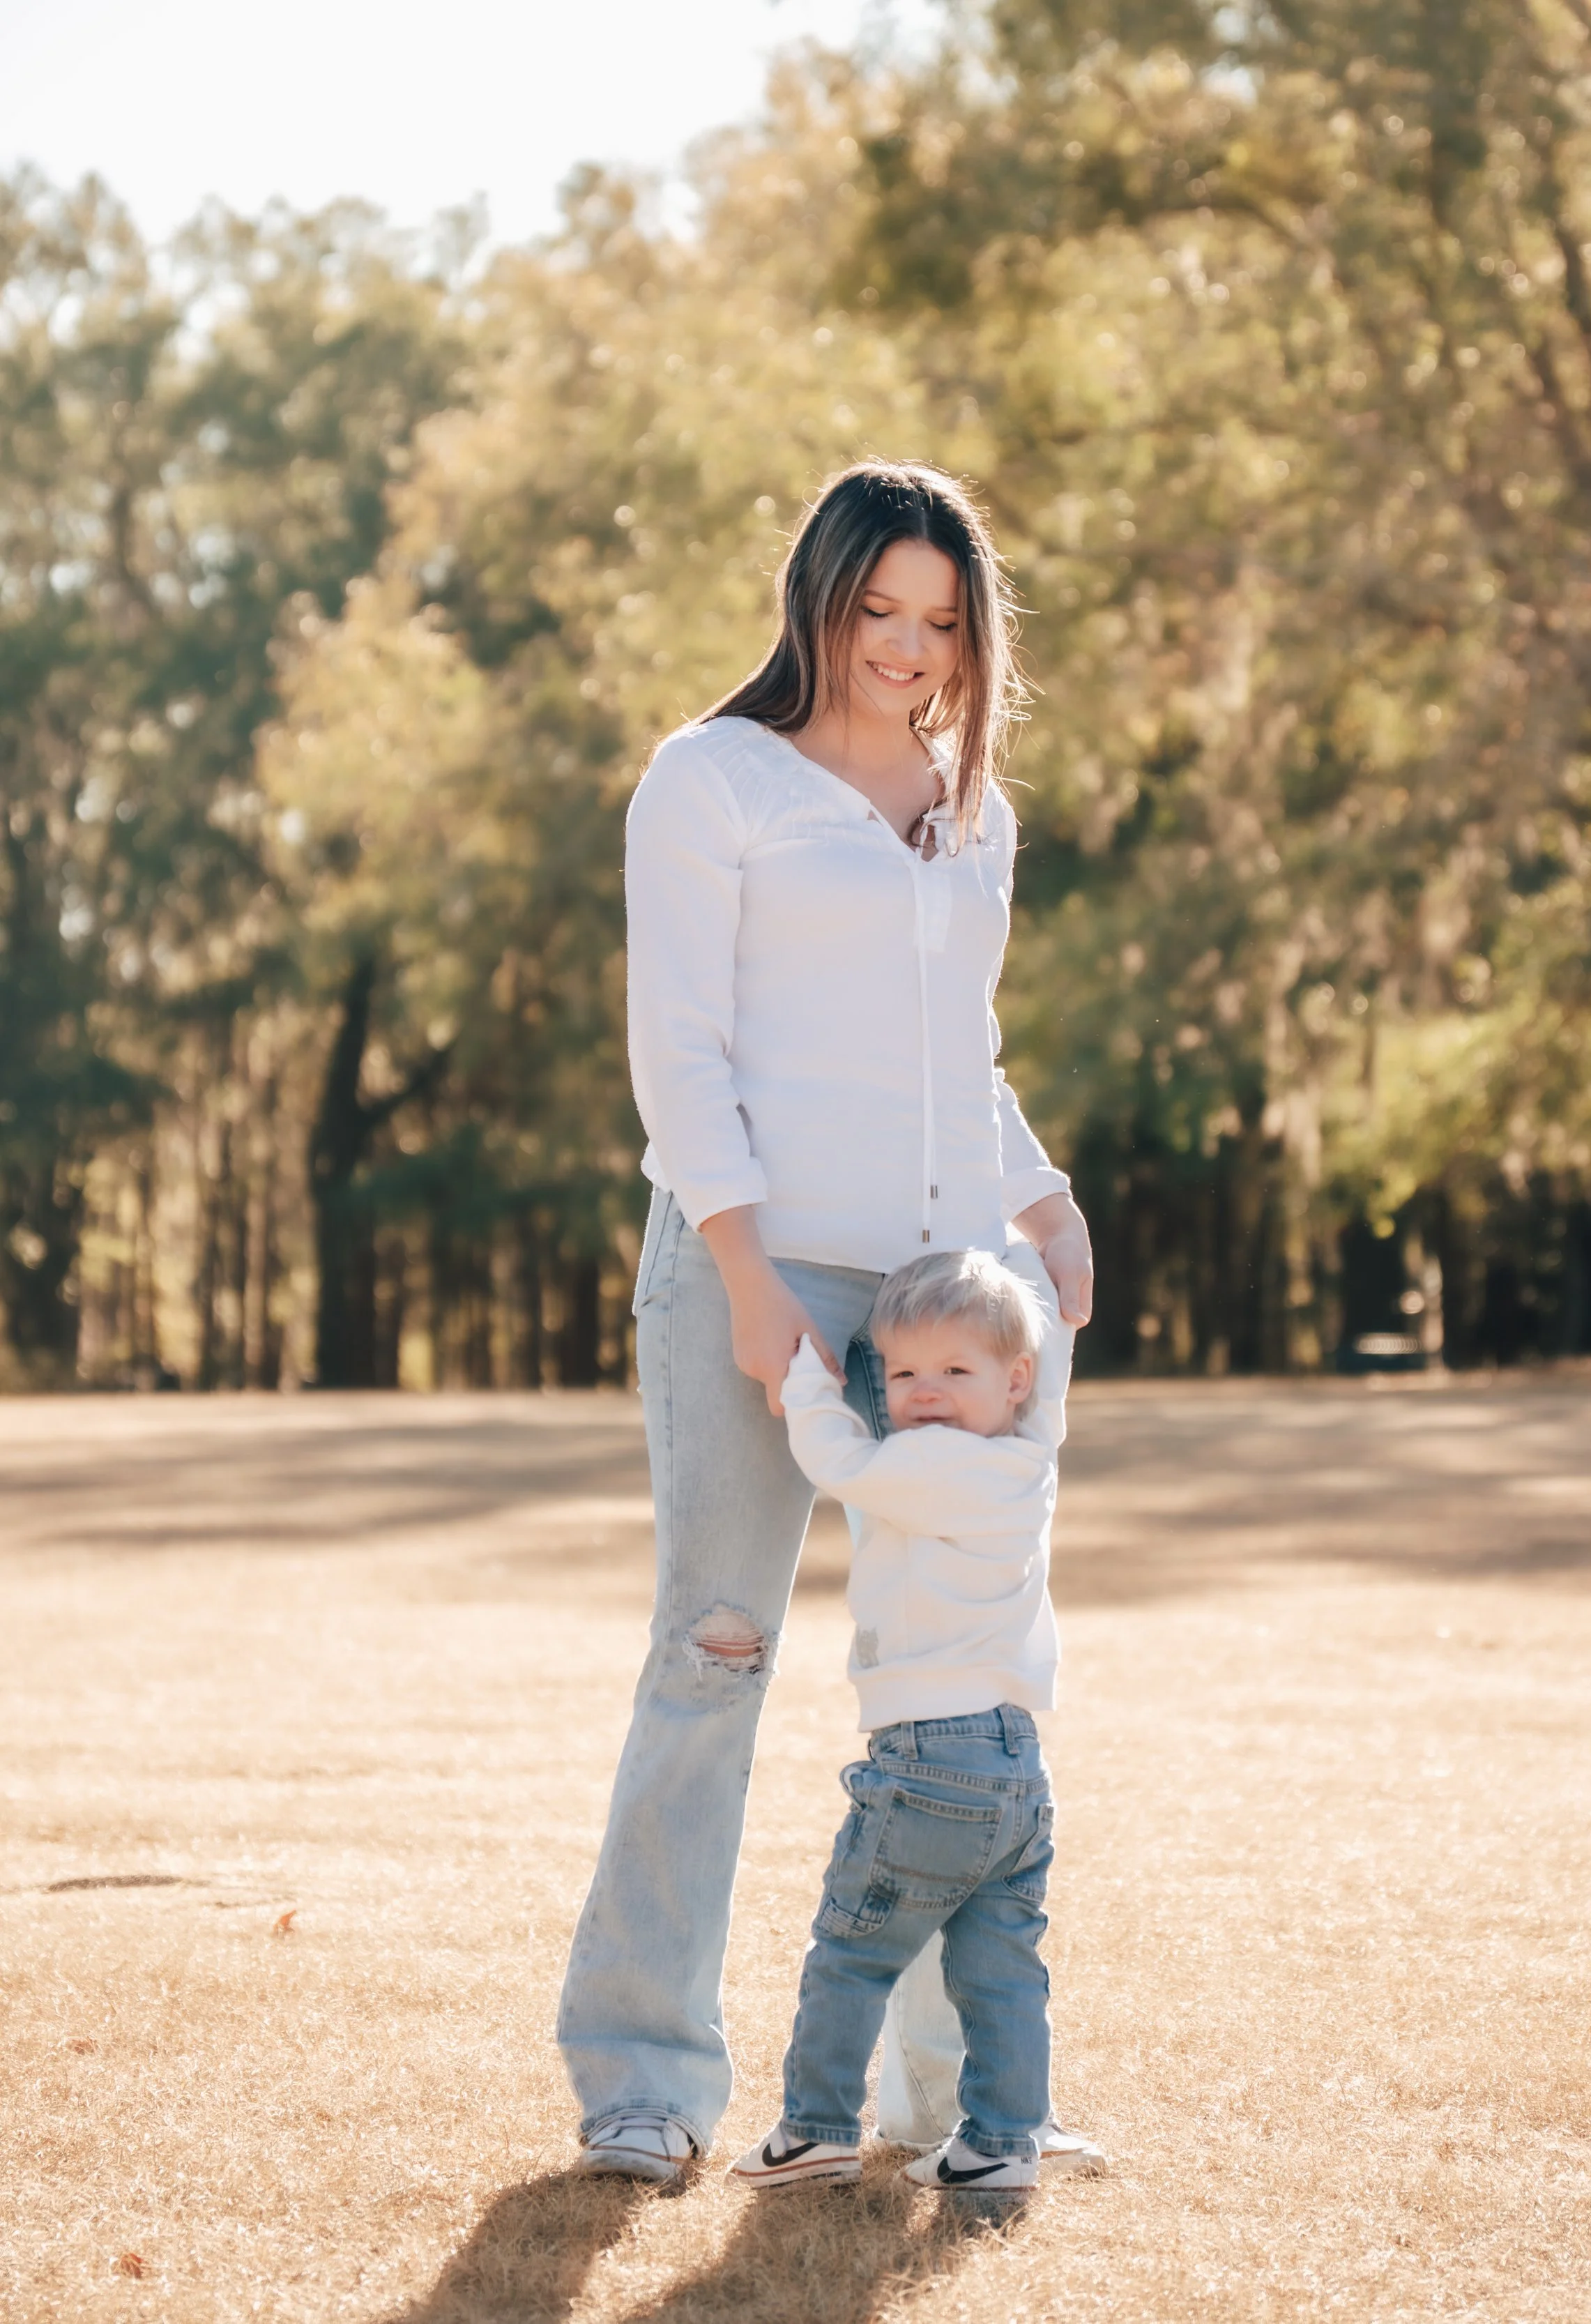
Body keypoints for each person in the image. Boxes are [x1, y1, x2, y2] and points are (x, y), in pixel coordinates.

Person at [556, 460, 1097, 2183]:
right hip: (760, 1272)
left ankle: (953, 2110)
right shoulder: (710, 781)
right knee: (713, 1658)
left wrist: (1046, 1198)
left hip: (948, 1296)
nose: (906, 647)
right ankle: (643, 2074)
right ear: (819, 597)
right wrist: (744, 1273)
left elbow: (961, 1055)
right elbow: (682, 1054)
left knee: (956, 1697)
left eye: (940, 622)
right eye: (878, 610)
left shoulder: (968, 806)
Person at [731, 1250, 1065, 2196]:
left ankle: (818, 2126)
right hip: (1017, 1765)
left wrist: (803, 1367)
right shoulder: (1029, 1459)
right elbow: (1047, 1375)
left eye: (955, 1373)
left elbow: (835, 1457)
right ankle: (1002, 2142)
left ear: (1014, 1379)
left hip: (927, 1759)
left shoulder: (925, 1460)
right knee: (1001, 1970)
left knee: (853, 1950)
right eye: (906, 1374)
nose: (925, 1395)